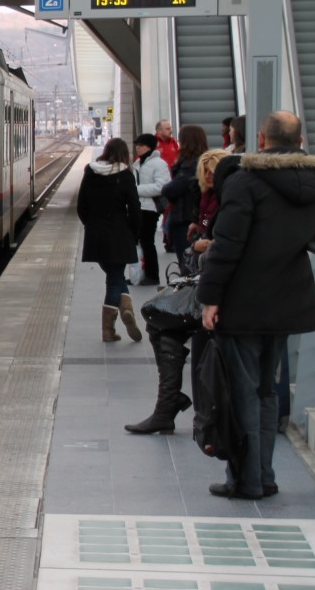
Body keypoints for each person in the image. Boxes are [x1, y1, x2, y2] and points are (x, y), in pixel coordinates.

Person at [198, 111, 315, 500]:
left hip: (242, 303)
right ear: (300, 142)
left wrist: (209, 297)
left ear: (261, 140)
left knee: (240, 390)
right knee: (266, 391)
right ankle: (265, 475)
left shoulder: (245, 182)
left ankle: (245, 480)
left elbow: (227, 246)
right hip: (288, 302)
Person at [126, 148, 234, 436]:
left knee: (162, 322)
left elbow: (227, 244)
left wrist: (204, 244)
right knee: (158, 320)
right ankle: (168, 405)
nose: (209, 177)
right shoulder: (209, 198)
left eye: (215, 172)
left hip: (217, 290)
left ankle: (168, 407)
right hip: (202, 279)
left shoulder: (229, 200)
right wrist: (199, 229)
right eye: (206, 171)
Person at [77, 138, 143, 343]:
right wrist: (134, 233)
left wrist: (92, 225)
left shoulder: (90, 172)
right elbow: (134, 207)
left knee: (114, 276)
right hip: (119, 234)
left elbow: (81, 206)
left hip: (96, 235)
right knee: (115, 280)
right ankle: (109, 329)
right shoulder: (125, 175)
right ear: (124, 154)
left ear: (105, 151)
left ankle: (125, 309)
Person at [161, 125, 208, 276]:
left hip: (186, 219)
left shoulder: (190, 165)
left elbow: (171, 189)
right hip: (196, 218)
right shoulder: (202, 161)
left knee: (188, 263)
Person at [132, 133, 168, 286]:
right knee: (139, 241)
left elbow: (162, 186)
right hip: (139, 207)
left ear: (148, 146)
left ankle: (153, 276)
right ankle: (139, 275)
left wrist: (136, 190)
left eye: (140, 144)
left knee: (147, 241)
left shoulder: (159, 164)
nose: (137, 147)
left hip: (151, 208)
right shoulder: (138, 163)